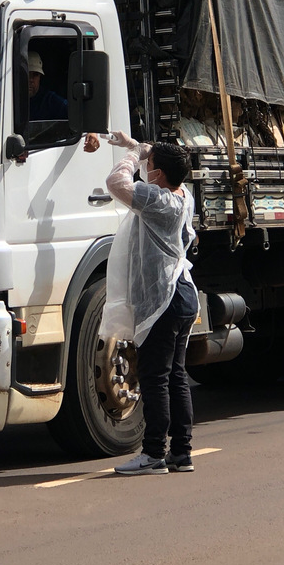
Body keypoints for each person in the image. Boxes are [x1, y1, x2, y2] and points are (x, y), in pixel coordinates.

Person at [103, 132, 199, 476]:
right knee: (175, 376)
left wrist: (130, 158)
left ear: (157, 175)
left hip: (164, 299)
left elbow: (116, 182)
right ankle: (182, 452)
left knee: (155, 378)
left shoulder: (158, 200)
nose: (146, 167)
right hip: (183, 293)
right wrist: (137, 148)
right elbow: (162, 161)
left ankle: (154, 453)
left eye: (150, 166)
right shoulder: (182, 195)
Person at [27, 51, 68, 121]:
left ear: (40, 77)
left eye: (35, 75)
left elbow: (75, 113)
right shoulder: (8, 100)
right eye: (27, 74)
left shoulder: (50, 101)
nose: (31, 79)